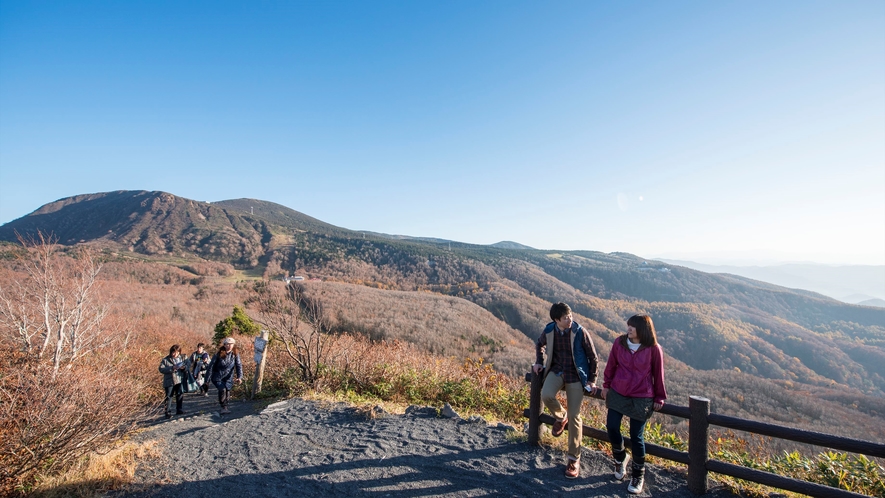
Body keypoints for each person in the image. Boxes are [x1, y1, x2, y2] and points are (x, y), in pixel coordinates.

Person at [601, 314, 667, 495]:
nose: (628, 329)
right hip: (618, 391)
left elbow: (658, 374)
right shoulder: (619, 343)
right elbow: (611, 366)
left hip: (641, 395)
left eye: (633, 327)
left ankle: (638, 474)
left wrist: (659, 397)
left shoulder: (653, 349)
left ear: (643, 329)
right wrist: (606, 385)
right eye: (628, 325)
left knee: (636, 435)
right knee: (612, 427)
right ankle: (620, 458)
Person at [532, 302, 599, 479]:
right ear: (556, 320)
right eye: (565, 318)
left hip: (576, 375)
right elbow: (539, 344)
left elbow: (593, 357)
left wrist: (592, 380)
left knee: (576, 416)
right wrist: (539, 362)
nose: (570, 319)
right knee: (546, 395)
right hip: (556, 370)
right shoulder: (549, 330)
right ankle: (562, 416)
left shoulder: (579, 332)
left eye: (570, 315)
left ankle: (573, 459)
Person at [206, 337, 243, 415]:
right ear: (224, 345)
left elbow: (238, 365)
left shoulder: (235, 354)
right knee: (222, 389)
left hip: (228, 377)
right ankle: (224, 407)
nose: (229, 346)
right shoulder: (218, 354)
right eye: (227, 344)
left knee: (227, 390)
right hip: (217, 376)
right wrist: (207, 380)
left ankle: (225, 405)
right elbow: (211, 366)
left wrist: (239, 377)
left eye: (231, 344)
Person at [158, 344, 188, 419]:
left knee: (179, 394)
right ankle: (167, 412)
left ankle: (179, 409)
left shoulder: (183, 358)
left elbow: (188, 365)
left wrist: (183, 368)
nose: (175, 354)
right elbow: (161, 369)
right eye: (174, 352)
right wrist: (172, 368)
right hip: (169, 381)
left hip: (179, 379)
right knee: (169, 396)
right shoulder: (166, 360)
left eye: (177, 352)